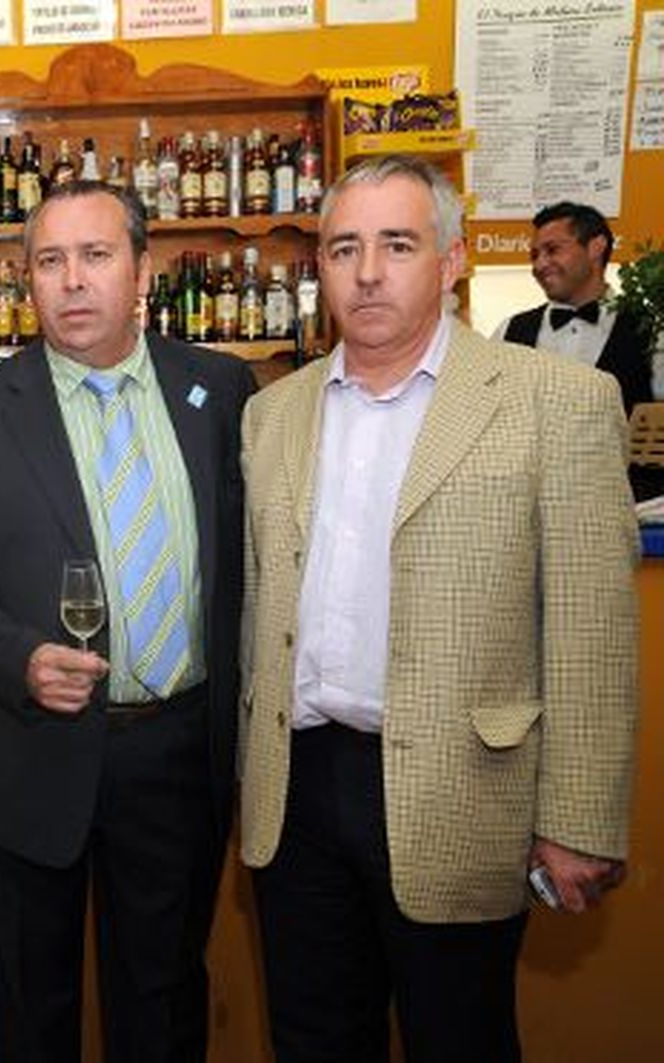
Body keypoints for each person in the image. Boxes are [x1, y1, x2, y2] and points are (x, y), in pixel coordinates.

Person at [239, 155, 638, 1062]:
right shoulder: (274, 414)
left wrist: (578, 818)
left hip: (461, 787)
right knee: (312, 1038)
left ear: (452, 259)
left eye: (397, 244)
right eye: (344, 247)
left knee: (459, 1037)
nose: (367, 270)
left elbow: (592, 630)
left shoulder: (557, 402)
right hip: (295, 793)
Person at [0, 182, 254, 1062]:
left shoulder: (220, 391)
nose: (72, 281)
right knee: (29, 1006)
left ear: (143, 268)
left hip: (177, 754)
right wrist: (18, 658)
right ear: (26, 279)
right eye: (50, 261)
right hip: (31, 745)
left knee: (164, 997)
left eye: (95, 256)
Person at [492, 201, 659, 413]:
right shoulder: (509, 332)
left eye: (552, 250)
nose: (539, 265)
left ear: (596, 248)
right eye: (534, 256)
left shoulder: (651, 330)